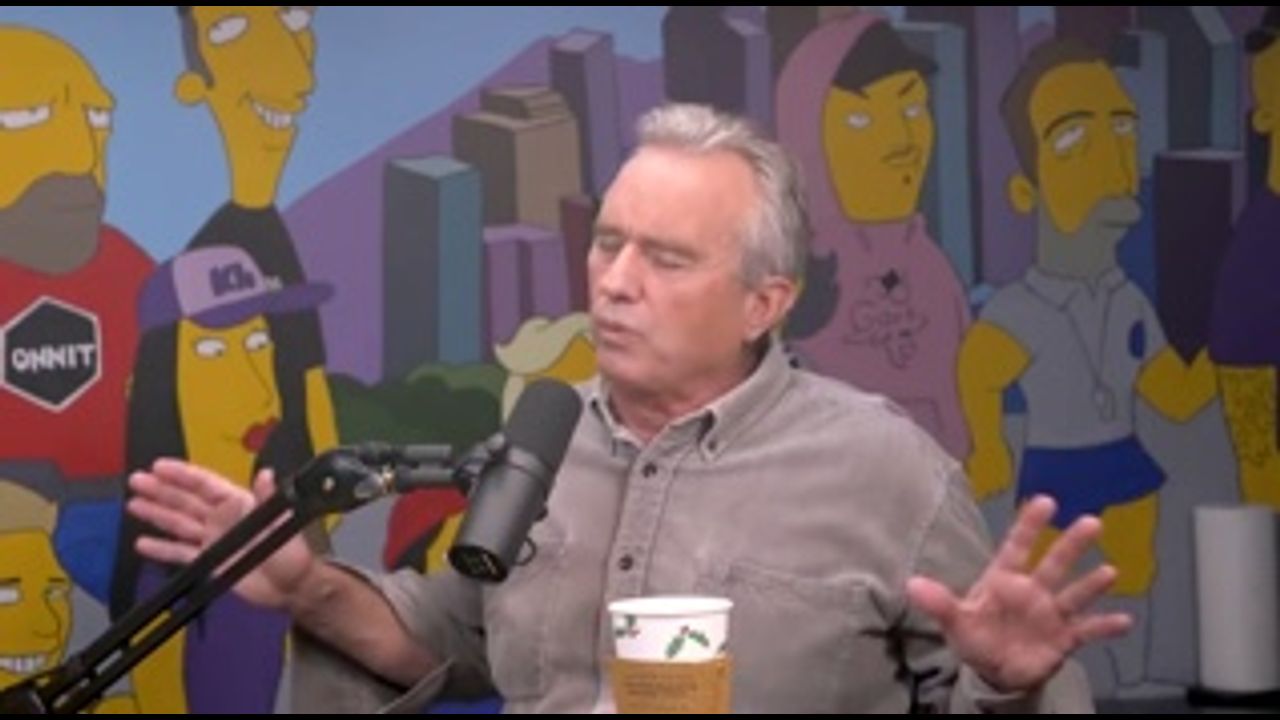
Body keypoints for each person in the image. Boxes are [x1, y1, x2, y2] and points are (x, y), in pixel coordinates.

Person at [126, 103, 1125, 713]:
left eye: (666, 258)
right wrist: (308, 587)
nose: (613, 282)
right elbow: (460, 640)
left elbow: (985, 686)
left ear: (764, 303)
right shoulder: (541, 439)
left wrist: (1010, 685)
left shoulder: (889, 473)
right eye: (607, 243)